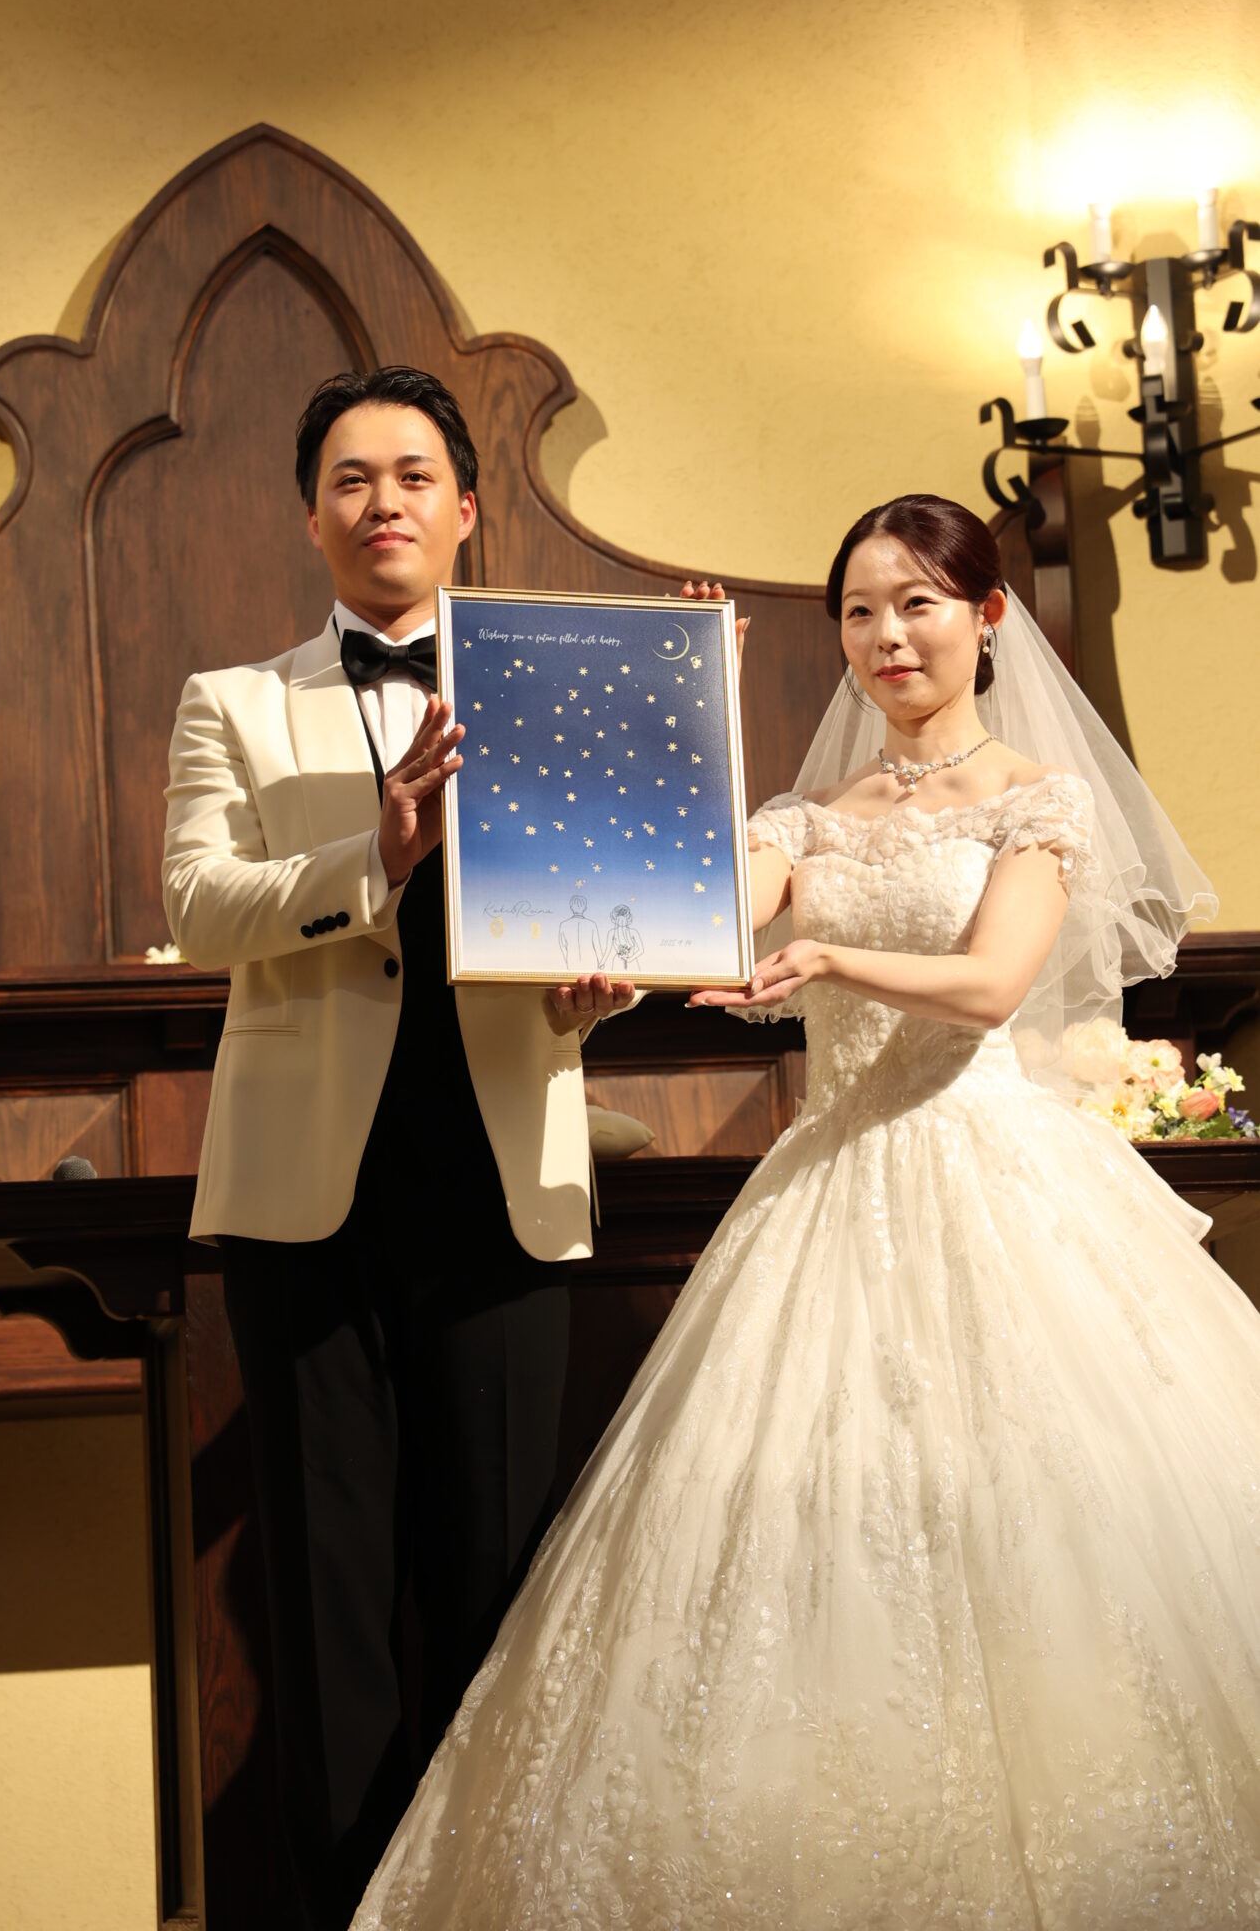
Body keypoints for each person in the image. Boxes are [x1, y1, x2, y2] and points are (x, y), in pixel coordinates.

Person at [350, 494, 1260, 1930]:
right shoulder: (803, 818)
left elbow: (991, 985)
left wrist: (828, 954)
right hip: (827, 1188)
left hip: (996, 1180)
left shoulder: (1039, 799)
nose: (887, 635)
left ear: (987, 619)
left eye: (917, 604)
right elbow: (695, 910)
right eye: (858, 611)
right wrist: (614, 918)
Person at [161, 366, 638, 1931]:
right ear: (311, 516)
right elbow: (197, 908)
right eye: (352, 479)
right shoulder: (232, 701)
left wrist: (602, 986)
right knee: (324, 1606)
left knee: (499, 1592)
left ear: (467, 508)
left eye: (414, 475)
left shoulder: (560, 686)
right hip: (306, 1198)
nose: (384, 502)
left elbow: (609, 901)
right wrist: (373, 850)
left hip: (501, 1181)